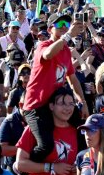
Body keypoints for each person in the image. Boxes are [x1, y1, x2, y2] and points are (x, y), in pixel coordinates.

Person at [21, 14, 86, 163]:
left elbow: (73, 79)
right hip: (36, 105)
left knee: (83, 129)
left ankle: (82, 166)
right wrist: (68, 35)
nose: (64, 26)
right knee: (46, 146)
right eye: (60, 24)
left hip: (55, 105)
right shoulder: (42, 45)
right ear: (50, 29)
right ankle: (25, 168)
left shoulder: (66, 52)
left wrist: (82, 102)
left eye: (67, 25)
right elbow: (49, 54)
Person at [15, 87, 79, 175]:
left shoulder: (78, 131)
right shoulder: (35, 129)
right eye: (61, 103)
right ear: (51, 106)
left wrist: (79, 169)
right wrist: (51, 167)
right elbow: (20, 164)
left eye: (71, 104)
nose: (67, 108)